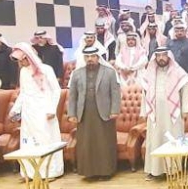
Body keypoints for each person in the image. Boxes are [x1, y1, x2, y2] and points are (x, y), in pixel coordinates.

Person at [9, 43, 64, 181]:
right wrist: (15, 109)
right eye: (19, 61)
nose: (20, 63)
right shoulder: (23, 72)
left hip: (44, 110)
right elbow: (24, 93)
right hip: (29, 112)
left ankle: (49, 172)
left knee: (45, 141)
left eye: (22, 60)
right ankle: (29, 173)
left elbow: (56, 90)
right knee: (28, 141)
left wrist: (51, 109)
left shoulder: (46, 70)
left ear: (29, 57)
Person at [67, 47, 121, 181]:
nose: (90, 59)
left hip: (104, 113)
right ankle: (88, 172)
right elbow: (72, 96)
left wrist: (115, 110)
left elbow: (115, 93)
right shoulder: (76, 74)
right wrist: (71, 114)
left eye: (92, 56)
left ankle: (106, 171)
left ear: (98, 57)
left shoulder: (109, 72)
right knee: (86, 143)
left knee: (104, 143)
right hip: (84, 114)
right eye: (87, 57)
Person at [140, 47, 188, 181]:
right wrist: (143, 112)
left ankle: (174, 170)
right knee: (155, 141)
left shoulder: (178, 72)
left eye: (164, 55)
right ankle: (155, 171)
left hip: (173, 115)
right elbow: (144, 94)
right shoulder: (149, 73)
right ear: (155, 58)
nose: (161, 58)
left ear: (169, 56)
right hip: (155, 114)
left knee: (172, 140)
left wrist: (185, 110)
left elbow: (185, 91)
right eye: (158, 56)